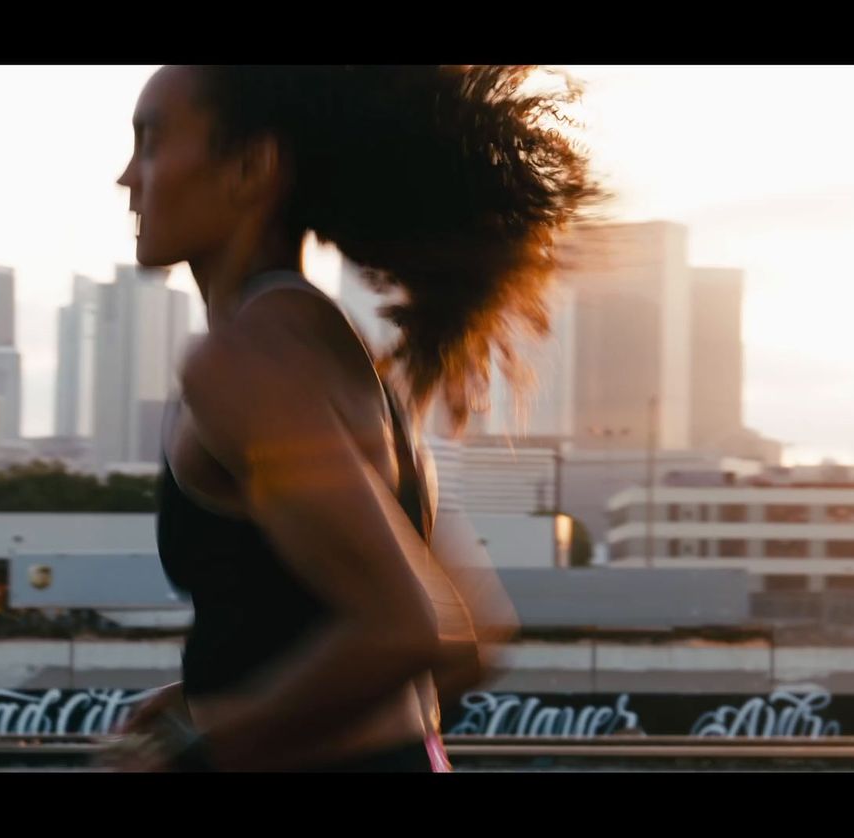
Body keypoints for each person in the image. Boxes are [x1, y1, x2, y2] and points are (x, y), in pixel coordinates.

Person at [113, 65, 599, 772]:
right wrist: (214, 698)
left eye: (151, 143)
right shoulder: (342, 354)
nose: (128, 176)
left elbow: (407, 627)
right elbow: (470, 636)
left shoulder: (243, 363)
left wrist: (206, 747)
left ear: (252, 168)